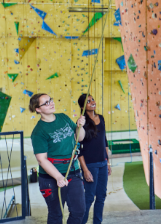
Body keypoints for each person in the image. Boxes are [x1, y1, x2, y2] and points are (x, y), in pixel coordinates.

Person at [29, 93, 86, 224]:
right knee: (56, 215)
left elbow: (80, 137)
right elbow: (42, 159)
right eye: (46, 103)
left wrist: (79, 126)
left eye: (51, 100)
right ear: (38, 109)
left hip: (73, 171)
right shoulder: (38, 132)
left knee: (79, 211)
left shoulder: (63, 117)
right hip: (51, 177)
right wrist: (58, 177)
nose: (51, 103)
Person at [77, 94, 111, 224]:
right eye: (88, 101)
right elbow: (78, 148)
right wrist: (85, 170)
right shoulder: (81, 122)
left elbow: (104, 142)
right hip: (90, 165)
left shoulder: (101, 118)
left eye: (93, 100)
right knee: (89, 197)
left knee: (101, 196)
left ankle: (97, 222)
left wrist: (108, 163)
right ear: (82, 106)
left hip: (103, 163)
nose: (92, 102)